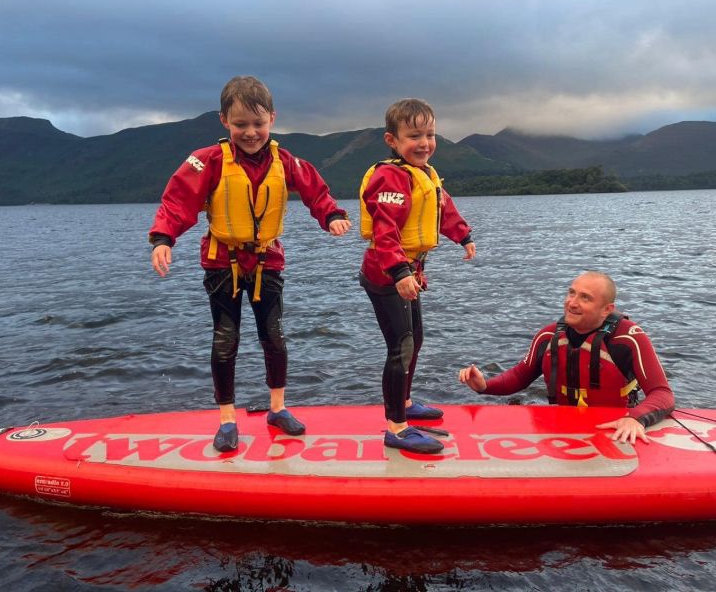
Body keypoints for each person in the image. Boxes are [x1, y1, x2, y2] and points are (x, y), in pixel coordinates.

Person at [149, 75, 351, 452]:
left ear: (272, 119)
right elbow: (178, 201)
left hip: (267, 260)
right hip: (221, 263)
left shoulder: (284, 160)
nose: (251, 132)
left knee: (273, 337)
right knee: (226, 341)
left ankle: (278, 408)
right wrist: (163, 238)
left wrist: (331, 216)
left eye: (258, 124)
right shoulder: (207, 160)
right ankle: (227, 418)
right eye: (241, 124)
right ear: (224, 121)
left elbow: (315, 190)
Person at [360, 98, 477, 454]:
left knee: (416, 339)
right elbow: (385, 230)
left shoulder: (425, 174)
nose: (424, 142)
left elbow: (444, 209)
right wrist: (398, 271)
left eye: (429, 134)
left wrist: (463, 236)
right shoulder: (390, 177)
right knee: (401, 347)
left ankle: (406, 402)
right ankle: (396, 427)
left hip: (410, 271)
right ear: (392, 141)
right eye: (414, 135)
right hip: (386, 274)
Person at [458, 271, 674, 444]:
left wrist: (635, 419)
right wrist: (484, 385)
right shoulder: (548, 335)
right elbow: (519, 376)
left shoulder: (627, 339)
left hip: (614, 426)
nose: (572, 303)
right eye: (571, 293)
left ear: (607, 309)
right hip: (565, 428)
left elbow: (662, 393)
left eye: (585, 298)